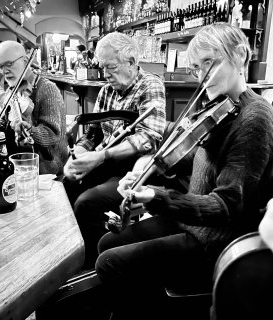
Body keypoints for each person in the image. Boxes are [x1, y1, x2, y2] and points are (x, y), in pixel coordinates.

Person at [95, 23, 273, 320]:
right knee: (107, 242)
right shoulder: (218, 106)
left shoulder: (254, 118)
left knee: (109, 262)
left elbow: (226, 205)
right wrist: (146, 170)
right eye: (195, 67)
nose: (202, 75)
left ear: (240, 56)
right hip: (190, 221)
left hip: (213, 239)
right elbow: (193, 160)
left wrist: (157, 198)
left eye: (209, 63)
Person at [63, 32, 166, 269]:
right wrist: (79, 153)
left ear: (131, 62)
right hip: (105, 162)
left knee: (86, 203)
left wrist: (101, 156)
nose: (105, 74)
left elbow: (149, 139)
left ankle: (95, 265)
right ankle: (76, 251)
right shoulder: (106, 90)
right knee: (66, 183)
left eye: (110, 66)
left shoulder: (150, 85)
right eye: (102, 67)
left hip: (135, 171)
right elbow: (93, 133)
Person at [0, 40, 68, 175]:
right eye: (0, 67)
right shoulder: (12, 89)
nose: (5, 71)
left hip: (47, 168)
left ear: (25, 60)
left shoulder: (47, 89)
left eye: (9, 64)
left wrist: (30, 130)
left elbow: (52, 135)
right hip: (21, 163)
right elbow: (6, 120)